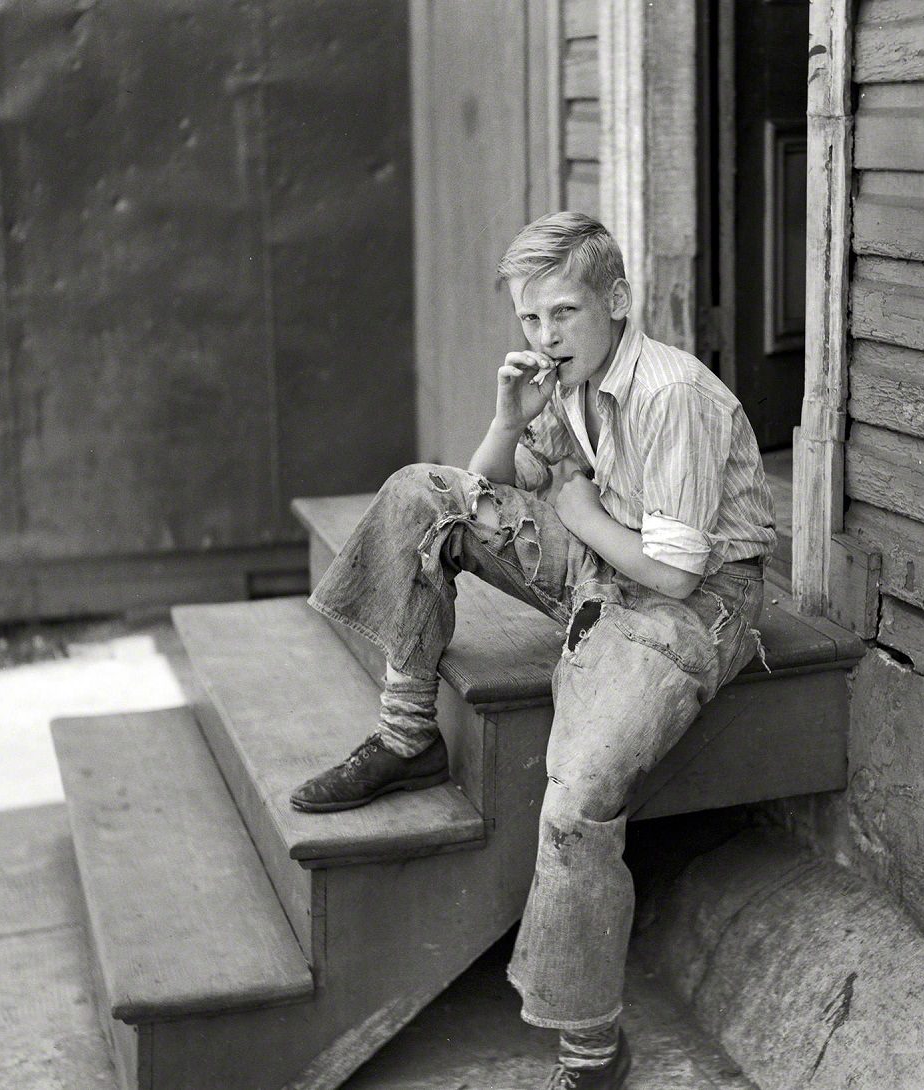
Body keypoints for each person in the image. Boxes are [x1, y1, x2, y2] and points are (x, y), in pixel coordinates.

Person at [292, 212, 776, 1089]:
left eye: (564, 314)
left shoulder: (672, 394)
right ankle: (408, 735)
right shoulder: (567, 379)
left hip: (698, 602)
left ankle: (590, 1049)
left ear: (617, 301)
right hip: (603, 558)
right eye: (530, 320)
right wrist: (509, 420)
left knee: (576, 805)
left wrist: (581, 514)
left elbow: (673, 576)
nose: (546, 337)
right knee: (422, 493)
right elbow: (487, 486)